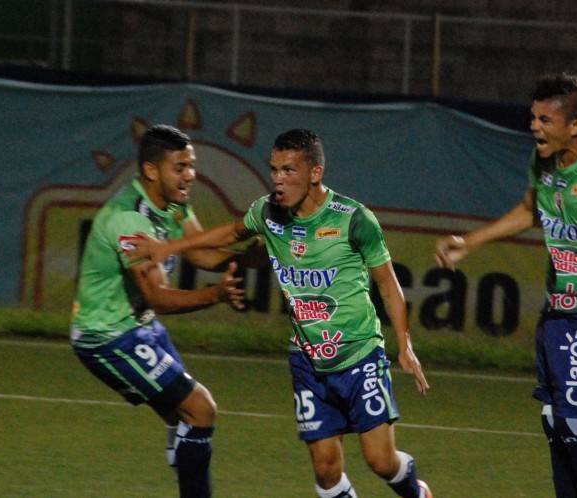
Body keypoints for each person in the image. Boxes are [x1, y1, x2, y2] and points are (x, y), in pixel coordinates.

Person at [131, 128, 433, 498]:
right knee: (326, 472)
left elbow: (388, 284)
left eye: (289, 170)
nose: (278, 179)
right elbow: (230, 233)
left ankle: (417, 491)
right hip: (307, 360)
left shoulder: (354, 219)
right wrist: (169, 247)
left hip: (359, 354)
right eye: (274, 169)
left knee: (380, 461)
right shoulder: (267, 211)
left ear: (315, 173)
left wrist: (404, 344)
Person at [434, 73, 577, 497]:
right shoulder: (544, 159)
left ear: (576, 125)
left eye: (545, 120)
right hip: (556, 312)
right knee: (554, 421)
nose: (534, 127)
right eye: (533, 117)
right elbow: (530, 211)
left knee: (572, 422)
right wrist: (468, 242)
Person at [70, 124, 254, 498]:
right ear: (152, 170)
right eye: (180, 167)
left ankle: (187, 475)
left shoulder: (173, 203)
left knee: (183, 419)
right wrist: (216, 295)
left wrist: (258, 260)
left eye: (192, 165)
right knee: (200, 409)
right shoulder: (129, 220)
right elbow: (159, 297)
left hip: (139, 325)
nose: (190, 175)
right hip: (106, 337)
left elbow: (199, 252)